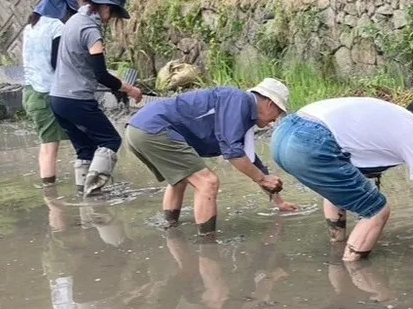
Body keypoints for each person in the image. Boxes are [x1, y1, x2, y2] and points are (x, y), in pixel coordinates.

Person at [271, 92, 413, 261]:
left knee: (340, 190)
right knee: (377, 210)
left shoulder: (390, 117)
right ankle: (353, 272)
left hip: (282, 134)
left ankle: (338, 245)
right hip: (310, 140)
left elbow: (338, 188)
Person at [124, 79, 298, 233]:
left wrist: (279, 202)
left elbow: (252, 161)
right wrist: (261, 179)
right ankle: (207, 245)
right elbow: (232, 151)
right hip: (154, 130)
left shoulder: (242, 112)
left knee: (179, 179)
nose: (275, 120)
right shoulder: (239, 101)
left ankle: (171, 227)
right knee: (208, 182)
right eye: (279, 113)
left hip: (138, 129)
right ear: (269, 103)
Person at [49, 0, 142, 196]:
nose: (111, 19)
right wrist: (130, 89)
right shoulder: (91, 30)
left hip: (57, 98)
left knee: (85, 150)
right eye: (113, 13)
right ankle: (94, 191)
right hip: (76, 98)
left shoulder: (74, 21)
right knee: (111, 140)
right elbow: (101, 74)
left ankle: (84, 196)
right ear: (107, 7)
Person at [22, 0, 80, 185]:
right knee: (51, 146)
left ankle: (51, 189)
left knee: (48, 144)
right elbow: (59, 63)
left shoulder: (31, 26)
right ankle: (51, 196)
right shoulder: (56, 26)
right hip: (47, 93)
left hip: (30, 92)